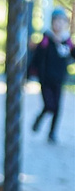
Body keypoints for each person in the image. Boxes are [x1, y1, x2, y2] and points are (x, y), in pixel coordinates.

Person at [33, 9, 71, 144]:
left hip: (59, 79)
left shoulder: (67, 41)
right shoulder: (46, 39)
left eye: (62, 21)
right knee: (49, 105)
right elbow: (37, 57)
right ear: (52, 22)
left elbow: (72, 55)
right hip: (45, 79)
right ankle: (39, 118)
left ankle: (52, 133)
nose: (59, 24)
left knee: (57, 107)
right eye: (57, 21)